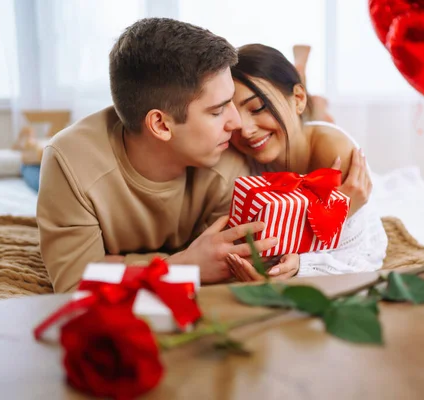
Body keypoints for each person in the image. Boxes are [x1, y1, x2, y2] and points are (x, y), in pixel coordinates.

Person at [36, 19, 279, 292]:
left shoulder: (229, 158)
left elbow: (223, 267)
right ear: (161, 125)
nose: (236, 124)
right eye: (217, 111)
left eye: (231, 102)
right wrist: (184, 265)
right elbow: (75, 286)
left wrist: (113, 263)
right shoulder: (69, 162)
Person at [226, 44, 388, 281]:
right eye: (231, 116)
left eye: (259, 107)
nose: (246, 130)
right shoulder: (236, 149)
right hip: (297, 129)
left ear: (298, 98)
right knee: (304, 120)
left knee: (315, 119)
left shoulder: (334, 154)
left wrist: (301, 264)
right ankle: (308, 90)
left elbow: (366, 255)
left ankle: (311, 92)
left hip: (311, 135)